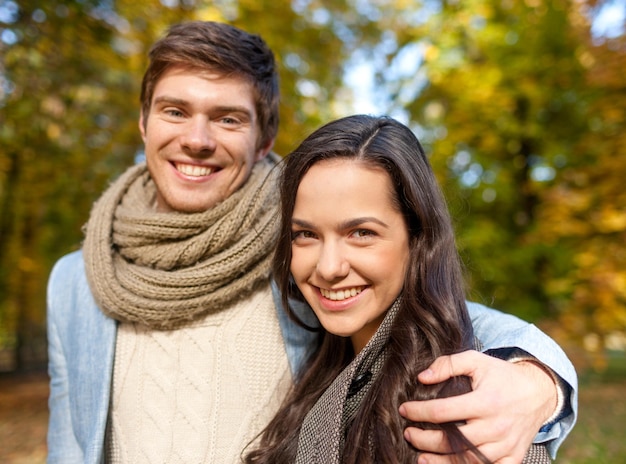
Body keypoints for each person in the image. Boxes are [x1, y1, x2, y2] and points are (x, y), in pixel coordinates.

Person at [46, 21, 577, 464]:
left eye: (228, 118)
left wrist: (541, 382)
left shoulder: (284, 240)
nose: (198, 139)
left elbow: (427, 307)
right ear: (143, 122)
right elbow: (69, 441)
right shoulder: (75, 281)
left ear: (265, 138)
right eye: (175, 110)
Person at [244, 114, 558, 463]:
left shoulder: (473, 411)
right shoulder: (318, 363)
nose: (329, 268)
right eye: (305, 234)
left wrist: (543, 383)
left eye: (361, 233)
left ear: (417, 239)